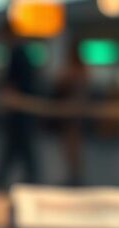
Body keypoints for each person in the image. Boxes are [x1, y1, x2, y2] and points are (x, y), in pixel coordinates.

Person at [0, 23, 40, 188]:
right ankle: (6, 174)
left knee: (21, 143)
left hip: (20, 108)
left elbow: (20, 82)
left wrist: (10, 93)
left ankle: (29, 175)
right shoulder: (18, 53)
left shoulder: (18, 54)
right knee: (16, 144)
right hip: (17, 108)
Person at [53, 39, 89, 186]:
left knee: (73, 146)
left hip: (73, 112)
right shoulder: (79, 70)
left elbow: (61, 82)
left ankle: (75, 175)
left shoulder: (77, 71)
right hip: (70, 111)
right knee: (70, 147)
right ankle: (73, 175)